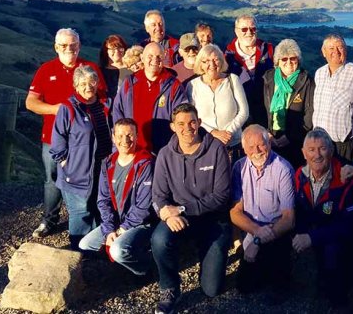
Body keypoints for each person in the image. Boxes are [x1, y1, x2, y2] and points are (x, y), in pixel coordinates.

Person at [151, 103, 232, 314]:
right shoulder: (165, 155)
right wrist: (166, 213)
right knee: (159, 239)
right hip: (180, 218)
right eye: (181, 124)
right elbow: (159, 195)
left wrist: (182, 209)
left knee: (211, 289)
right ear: (172, 127)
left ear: (199, 122)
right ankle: (169, 287)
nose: (188, 128)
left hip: (213, 219)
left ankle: (208, 260)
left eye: (192, 122)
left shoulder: (216, 149)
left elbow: (221, 197)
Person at [26, 28, 106, 239]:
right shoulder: (46, 70)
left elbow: (103, 100)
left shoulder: (90, 68)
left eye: (73, 45)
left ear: (79, 46)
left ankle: (86, 221)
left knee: (89, 177)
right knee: (52, 179)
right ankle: (49, 220)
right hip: (53, 138)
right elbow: (31, 102)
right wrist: (60, 110)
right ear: (56, 47)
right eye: (63, 45)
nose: (68, 49)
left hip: (86, 139)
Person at [292, 129, 353, 311]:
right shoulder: (299, 175)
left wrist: (312, 238)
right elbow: (299, 211)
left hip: (337, 238)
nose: (317, 155)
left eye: (322, 149)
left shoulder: (345, 178)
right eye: (311, 149)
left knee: (333, 251)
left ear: (331, 151)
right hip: (313, 231)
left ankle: (339, 300)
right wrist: (300, 234)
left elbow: (349, 226)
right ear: (303, 153)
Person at [79, 118, 156, 275]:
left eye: (130, 135)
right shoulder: (108, 163)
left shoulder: (146, 163)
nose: (125, 140)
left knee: (118, 250)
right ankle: (120, 265)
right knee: (85, 245)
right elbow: (103, 200)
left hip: (141, 223)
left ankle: (145, 268)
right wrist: (109, 230)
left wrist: (120, 231)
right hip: (116, 222)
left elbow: (143, 207)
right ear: (113, 138)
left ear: (137, 136)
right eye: (120, 136)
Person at [49, 65, 112, 249]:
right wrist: (64, 160)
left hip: (103, 168)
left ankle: (95, 249)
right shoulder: (68, 108)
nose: (88, 87)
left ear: (97, 82)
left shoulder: (106, 104)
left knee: (100, 207)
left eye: (92, 81)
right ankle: (77, 253)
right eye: (83, 83)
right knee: (81, 211)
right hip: (77, 171)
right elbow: (58, 138)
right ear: (76, 86)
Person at [230, 125, 295, 301]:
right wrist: (255, 232)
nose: (257, 151)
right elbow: (235, 212)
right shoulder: (239, 167)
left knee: (279, 287)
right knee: (244, 286)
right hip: (253, 230)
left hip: (276, 230)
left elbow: (288, 219)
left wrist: (258, 240)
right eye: (251, 147)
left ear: (269, 143)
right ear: (244, 148)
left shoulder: (283, 168)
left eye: (261, 145)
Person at [112, 42, 188, 154]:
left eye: (159, 56)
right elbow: (118, 114)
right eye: (150, 56)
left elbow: (182, 118)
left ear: (165, 56)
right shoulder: (130, 83)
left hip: (162, 152)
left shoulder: (173, 86)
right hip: (132, 150)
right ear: (142, 58)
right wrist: (118, 146)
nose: (155, 60)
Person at [313, 33, 353, 160]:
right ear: (324, 52)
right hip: (319, 145)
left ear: (345, 50)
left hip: (345, 147)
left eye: (340, 47)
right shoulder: (319, 74)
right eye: (331, 48)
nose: (336, 52)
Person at [187, 43, 249, 156]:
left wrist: (228, 132)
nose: (212, 64)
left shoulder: (233, 80)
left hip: (234, 144)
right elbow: (192, 116)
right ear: (200, 64)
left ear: (221, 61)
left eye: (216, 60)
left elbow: (244, 112)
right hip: (206, 145)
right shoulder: (192, 85)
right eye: (206, 61)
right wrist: (213, 133)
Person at [263, 39, 315, 169]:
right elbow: (261, 108)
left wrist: (287, 139)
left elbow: (309, 115)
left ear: (298, 59)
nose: (289, 62)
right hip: (270, 137)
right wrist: (265, 134)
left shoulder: (306, 81)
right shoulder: (268, 78)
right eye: (284, 59)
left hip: (295, 141)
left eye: (293, 58)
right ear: (277, 62)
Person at [224, 14, 274, 127]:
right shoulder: (227, 57)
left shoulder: (269, 51)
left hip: (267, 112)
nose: (249, 32)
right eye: (244, 29)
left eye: (253, 29)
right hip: (240, 115)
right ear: (236, 32)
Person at [98, 34, 131, 106]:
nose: (117, 51)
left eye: (120, 48)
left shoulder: (131, 71)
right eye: (112, 49)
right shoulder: (99, 72)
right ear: (106, 51)